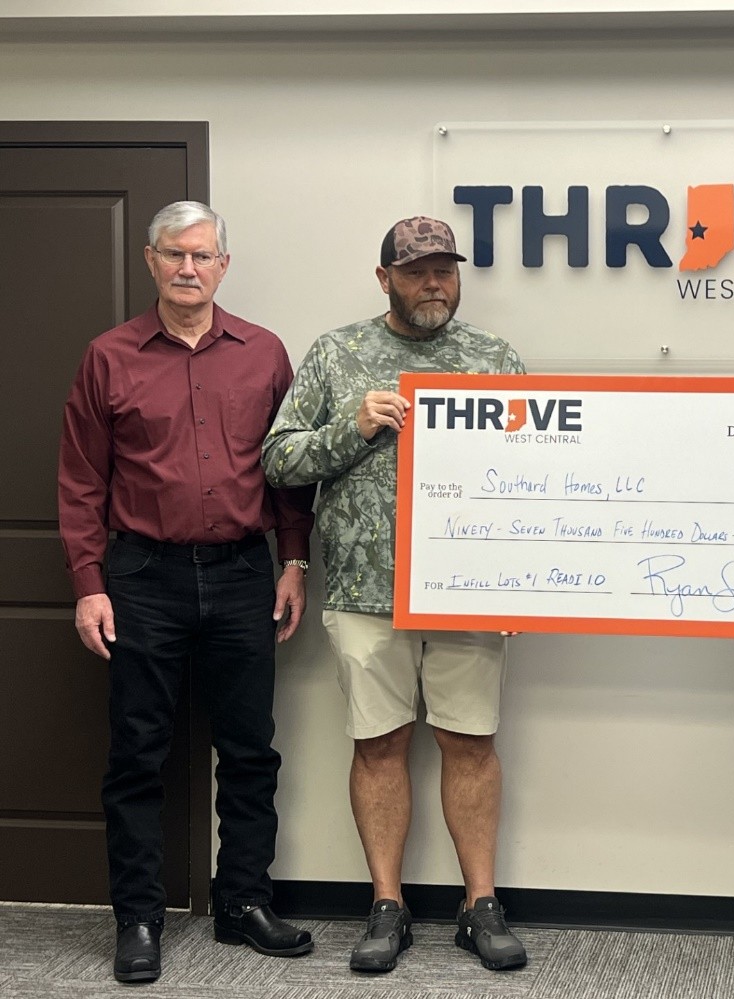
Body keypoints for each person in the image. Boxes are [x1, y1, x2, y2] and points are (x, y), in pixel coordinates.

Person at [58, 201, 317, 984]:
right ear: (150, 260)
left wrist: (294, 561)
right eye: (174, 255)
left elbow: (288, 474)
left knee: (249, 751)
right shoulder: (109, 357)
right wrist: (88, 583)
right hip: (143, 579)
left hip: (244, 575)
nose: (188, 269)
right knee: (138, 755)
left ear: (223, 265)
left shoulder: (265, 354)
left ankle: (243, 901)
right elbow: (80, 482)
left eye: (203, 256)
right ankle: (137, 916)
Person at [262, 216, 527, 975]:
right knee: (378, 743)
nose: (433, 283)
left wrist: (521, 581)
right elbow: (278, 460)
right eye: (416, 271)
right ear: (385, 279)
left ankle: (481, 905)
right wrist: (352, 427)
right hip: (361, 585)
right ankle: (387, 903)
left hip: (469, 592)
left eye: (444, 269)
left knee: (470, 740)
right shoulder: (338, 354)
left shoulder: (493, 358)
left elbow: (538, 474)